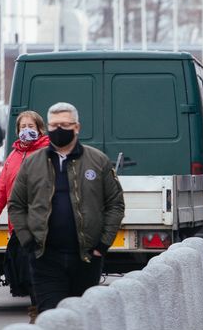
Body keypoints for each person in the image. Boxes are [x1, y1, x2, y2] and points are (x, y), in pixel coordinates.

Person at [8, 102, 126, 313]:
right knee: (51, 318)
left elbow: (115, 204)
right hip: (45, 259)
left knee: (81, 319)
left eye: (64, 124)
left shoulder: (97, 161)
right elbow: (16, 205)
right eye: (53, 125)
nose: (58, 130)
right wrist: (28, 242)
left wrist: (103, 244)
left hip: (86, 258)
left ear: (77, 127)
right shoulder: (32, 164)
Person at [0, 111, 50, 322]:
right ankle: (40, 312)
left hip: (44, 226)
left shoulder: (48, 153)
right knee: (25, 272)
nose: (27, 130)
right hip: (19, 227)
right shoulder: (13, 157)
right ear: (17, 131)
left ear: (40, 129)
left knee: (40, 272)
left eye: (31, 127)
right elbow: (0, 191)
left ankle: (43, 315)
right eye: (23, 127)